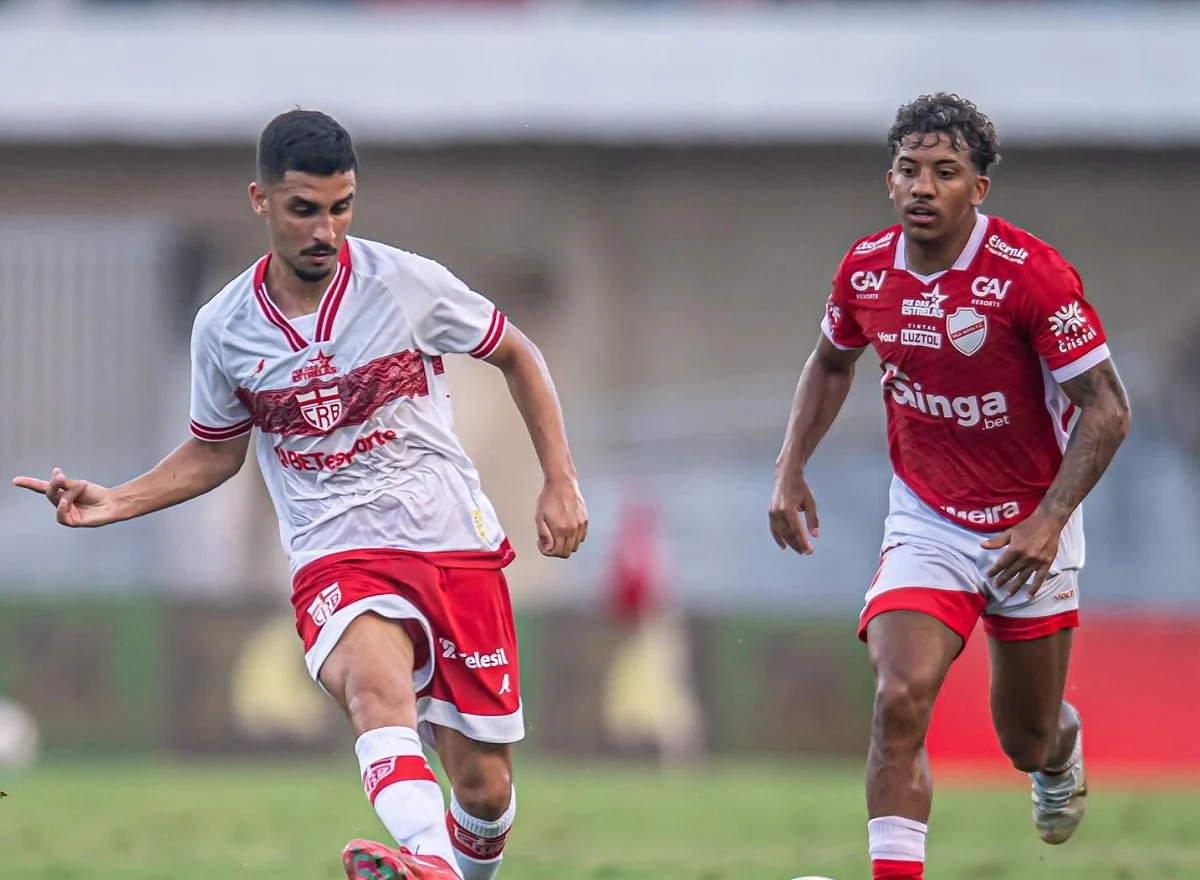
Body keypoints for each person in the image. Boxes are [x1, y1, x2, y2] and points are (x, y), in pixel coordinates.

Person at [13, 109, 589, 880]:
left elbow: (517, 353)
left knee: (484, 792)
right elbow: (217, 453)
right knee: (373, 691)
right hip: (336, 552)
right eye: (305, 209)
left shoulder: (404, 284)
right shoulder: (224, 328)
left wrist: (558, 478)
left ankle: (451, 870)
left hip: (451, 540)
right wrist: (118, 499)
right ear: (261, 201)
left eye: (340, 207)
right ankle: (427, 860)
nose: (326, 229)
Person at [768, 93, 1131, 880]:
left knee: (1024, 738)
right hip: (927, 519)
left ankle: (1059, 750)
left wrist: (1048, 518)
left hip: (1030, 525)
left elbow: (1108, 409)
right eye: (909, 170)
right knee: (900, 695)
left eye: (946, 171)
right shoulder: (866, 269)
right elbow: (832, 362)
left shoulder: (1031, 276)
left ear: (979, 188)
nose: (924, 187)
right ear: (889, 180)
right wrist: (790, 465)